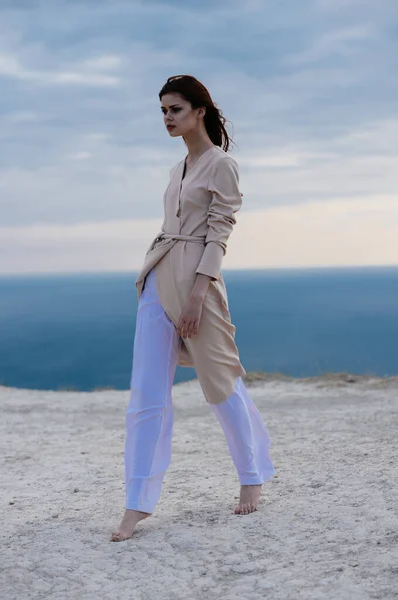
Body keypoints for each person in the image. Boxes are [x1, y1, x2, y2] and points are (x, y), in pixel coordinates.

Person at [111, 75, 275, 542]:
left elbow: (219, 231)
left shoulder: (221, 164)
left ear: (199, 111)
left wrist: (200, 294)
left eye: (175, 109)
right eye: (163, 110)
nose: (167, 118)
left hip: (196, 282)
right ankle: (136, 503)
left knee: (221, 384)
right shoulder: (177, 169)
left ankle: (252, 473)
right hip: (157, 275)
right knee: (146, 395)